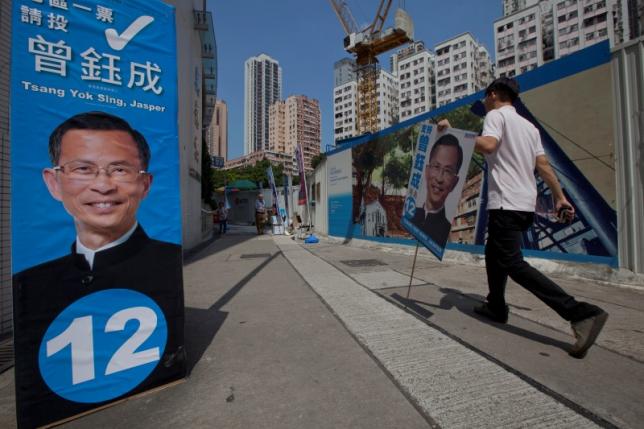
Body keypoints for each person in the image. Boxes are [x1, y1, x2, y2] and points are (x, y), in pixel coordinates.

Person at [12, 111, 186, 427]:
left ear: (145, 184)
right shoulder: (28, 283)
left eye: (120, 170)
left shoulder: (169, 264)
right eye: (83, 169)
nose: (103, 186)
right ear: (54, 182)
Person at [438, 77, 607, 359]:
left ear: (492, 95)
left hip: (505, 202)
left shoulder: (495, 115)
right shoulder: (529, 128)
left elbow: (489, 145)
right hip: (524, 204)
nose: (486, 102)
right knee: (495, 252)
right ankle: (496, 305)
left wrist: (453, 133)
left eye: (486, 98)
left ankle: (580, 313)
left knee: (513, 263)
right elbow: (543, 166)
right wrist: (559, 197)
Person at [410, 133, 463, 247]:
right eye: (436, 167)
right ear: (427, 171)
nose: (439, 178)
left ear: (455, 182)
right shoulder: (409, 217)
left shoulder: (445, 231)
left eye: (448, 171)